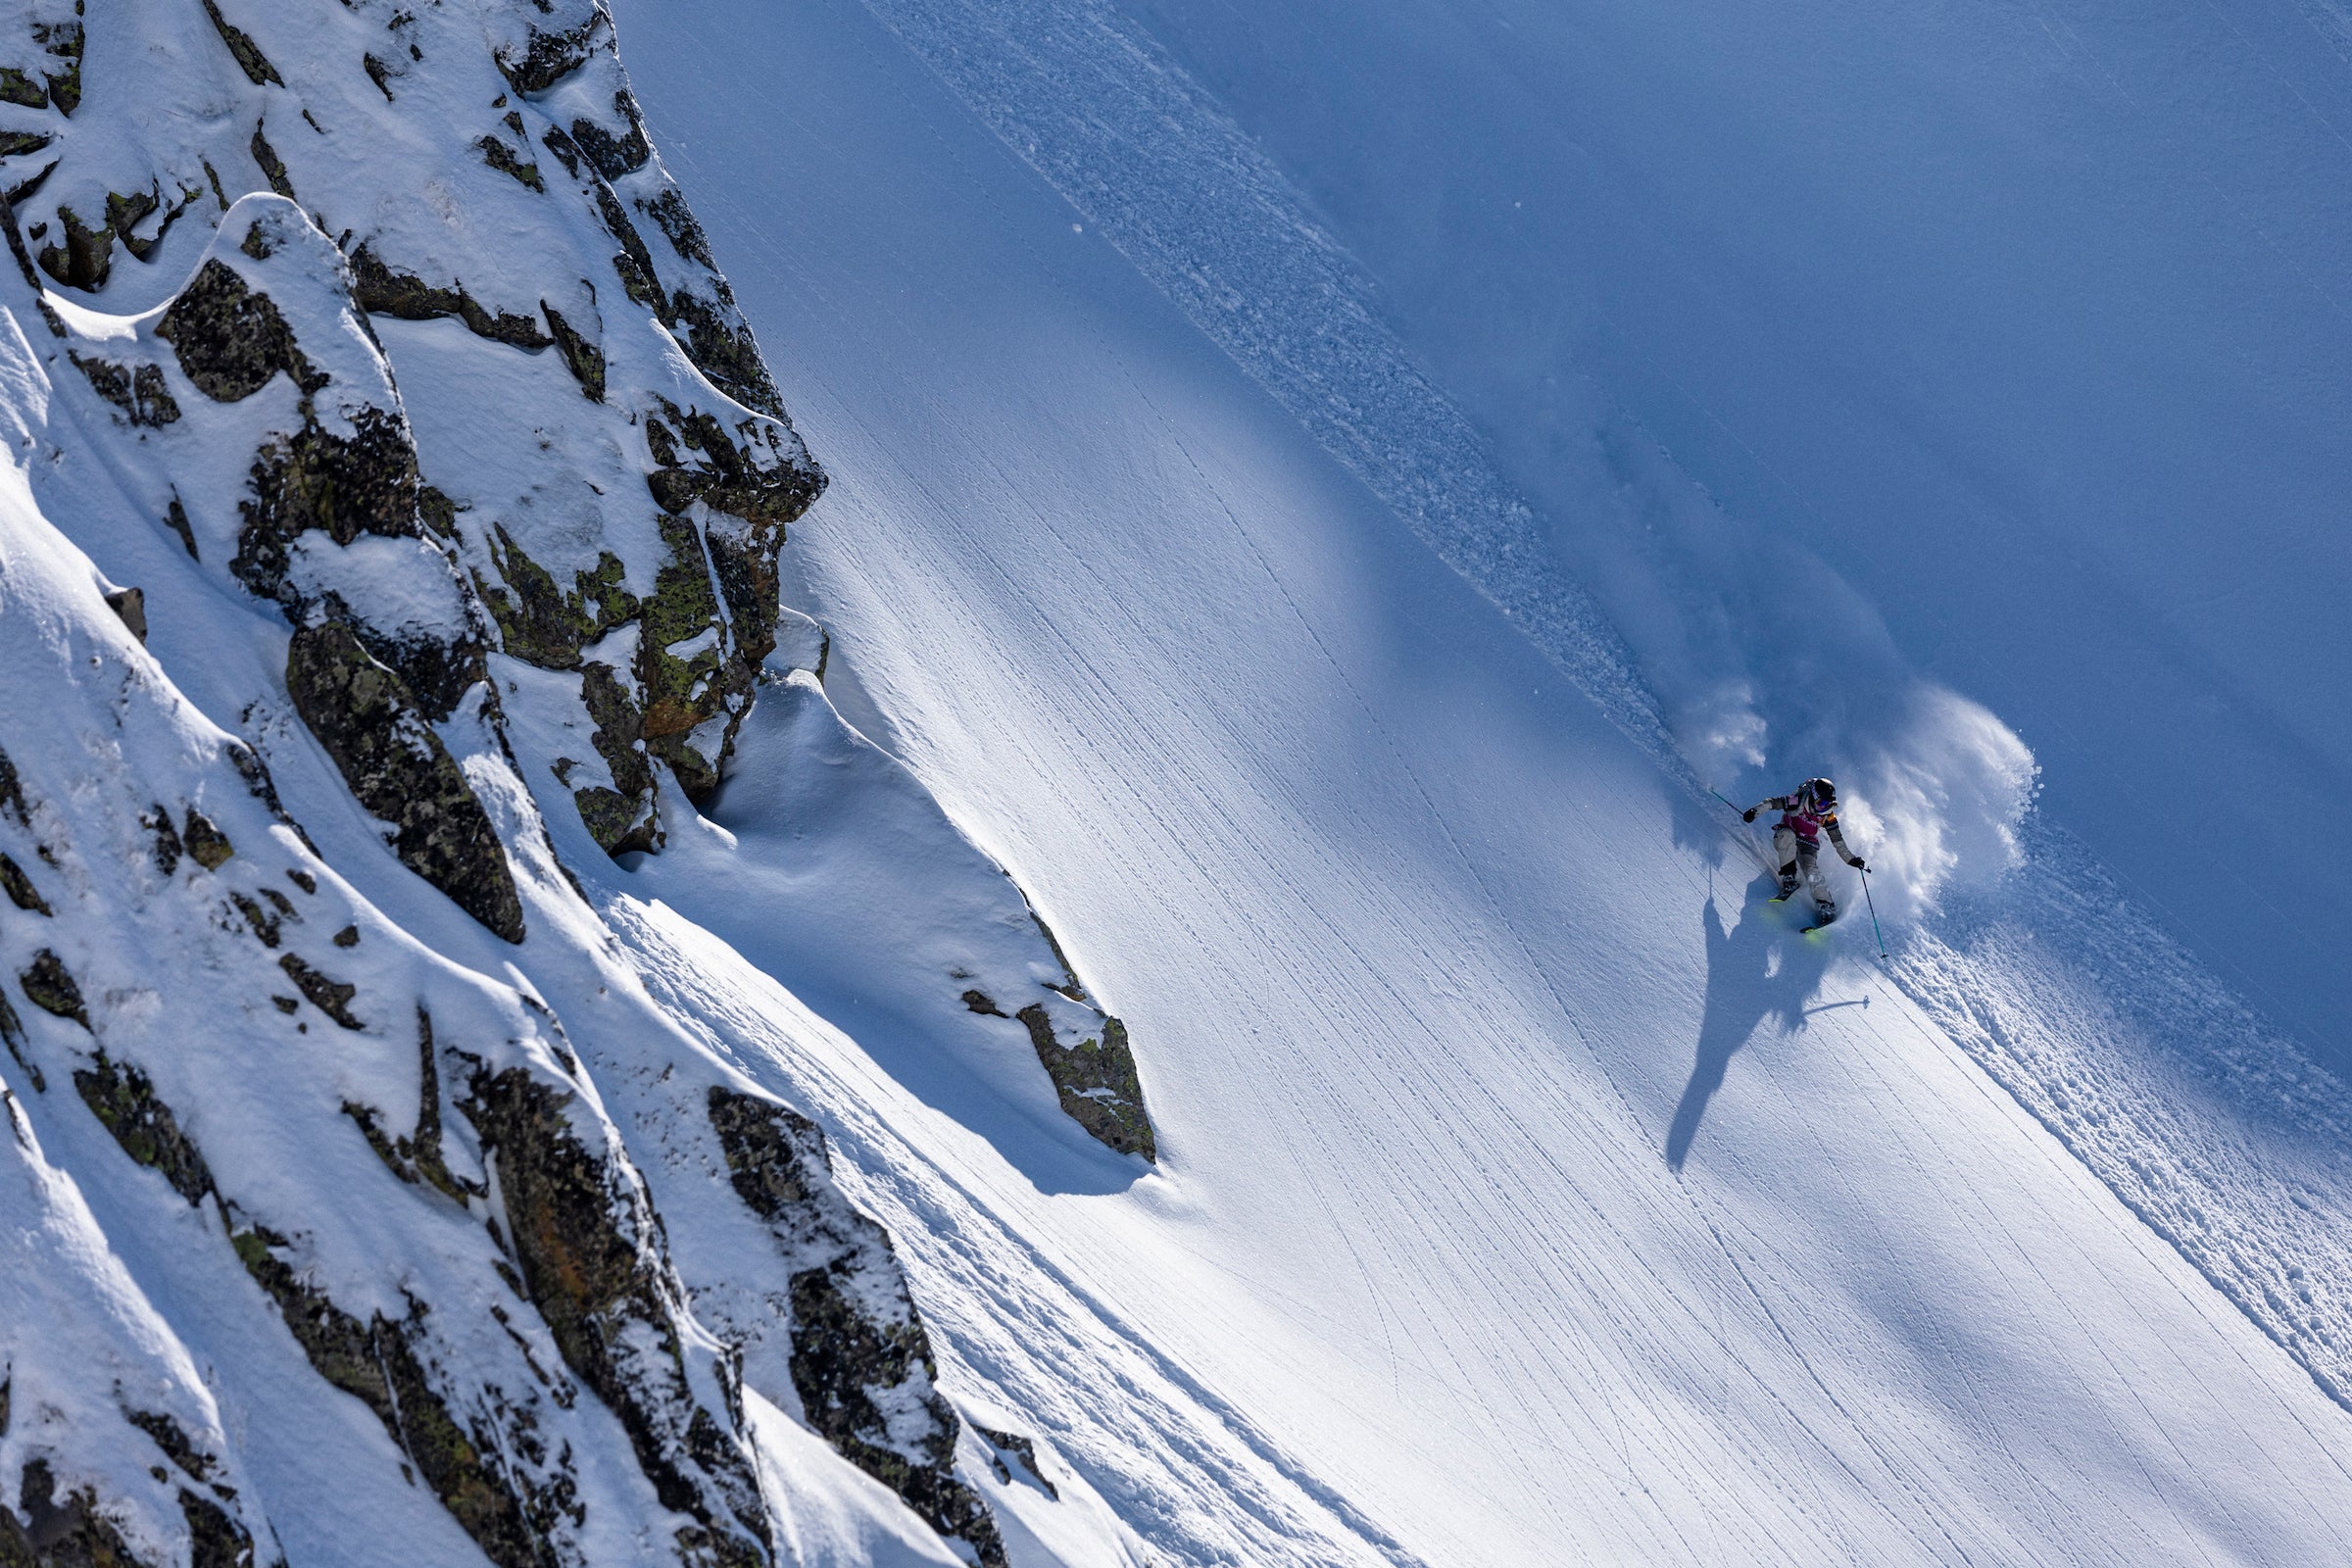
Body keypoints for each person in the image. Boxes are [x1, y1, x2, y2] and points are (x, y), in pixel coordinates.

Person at [1743, 777, 1867, 922]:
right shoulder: (1797, 801)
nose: (1824, 807)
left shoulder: (1828, 816)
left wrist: (1851, 859)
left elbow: (1838, 841)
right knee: (1786, 836)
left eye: (1828, 804)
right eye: (1821, 803)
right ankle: (1789, 877)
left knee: (1810, 868)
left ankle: (1825, 904)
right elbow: (1772, 803)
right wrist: (1755, 811)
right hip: (1788, 832)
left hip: (1807, 841)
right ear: (1813, 797)